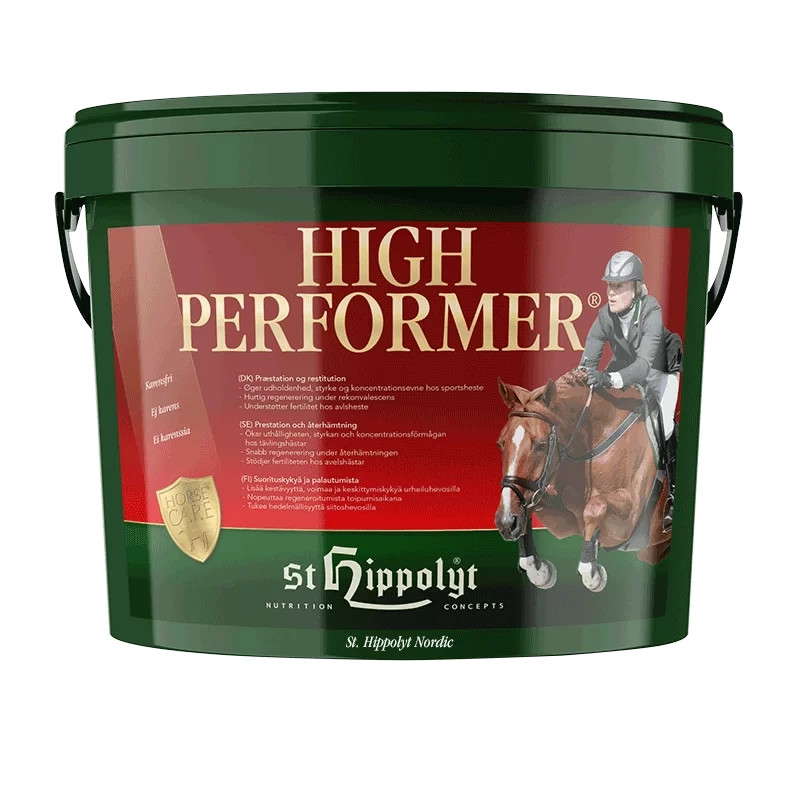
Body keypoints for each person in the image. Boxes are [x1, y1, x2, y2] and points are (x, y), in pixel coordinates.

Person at [578, 251, 683, 529]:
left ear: (635, 288)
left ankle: (675, 495)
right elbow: (588, 360)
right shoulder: (605, 316)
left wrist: (607, 378)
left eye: (619, 286)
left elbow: (645, 366)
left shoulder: (651, 309)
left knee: (665, 426)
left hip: (660, 368)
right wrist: (582, 377)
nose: (611, 293)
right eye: (609, 286)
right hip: (626, 368)